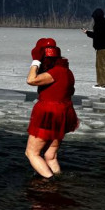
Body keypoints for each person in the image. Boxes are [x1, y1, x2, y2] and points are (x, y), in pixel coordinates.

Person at [25, 38, 78, 178]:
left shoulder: (56, 72)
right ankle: (59, 182)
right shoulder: (67, 71)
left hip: (49, 114)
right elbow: (71, 91)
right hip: (63, 113)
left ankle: (50, 181)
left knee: (31, 152)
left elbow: (31, 80)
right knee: (50, 155)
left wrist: (35, 62)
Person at [83, 8, 105, 89]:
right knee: (98, 65)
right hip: (103, 47)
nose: (93, 19)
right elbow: (98, 35)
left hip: (103, 47)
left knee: (102, 65)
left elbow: (97, 36)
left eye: (94, 17)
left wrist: (87, 32)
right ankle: (101, 82)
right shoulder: (103, 23)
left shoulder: (101, 24)